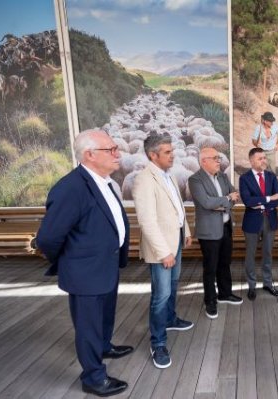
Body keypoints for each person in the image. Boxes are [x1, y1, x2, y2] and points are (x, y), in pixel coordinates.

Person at [37, 129, 132, 397]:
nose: (118, 154)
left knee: (104, 317)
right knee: (87, 327)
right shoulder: (71, 187)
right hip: (85, 272)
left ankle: (104, 347)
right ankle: (93, 377)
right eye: (111, 150)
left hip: (106, 266)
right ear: (89, 155)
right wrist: (71, 261)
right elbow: (48, 237)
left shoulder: (105, 182)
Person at [131, 135, 194, 370]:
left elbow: (178, 208)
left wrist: (185, 230)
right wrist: (163, 252)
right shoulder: (144, 180)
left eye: (171, 150)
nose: (172, 154)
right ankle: (158, 343)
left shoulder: (169, 175)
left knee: (174, 284)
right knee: (161, 294)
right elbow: (147, 221)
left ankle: (170, 319)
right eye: (167, 152)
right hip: (162, 248)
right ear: (152, 155)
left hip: (175, 240)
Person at [188, 147, 243, 319]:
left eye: (219, 158)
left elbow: (235, 195)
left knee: (225, 263)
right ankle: (210, 301)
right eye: (215, 158)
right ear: (204, 161)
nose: (219, 161)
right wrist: (226, 200)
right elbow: (205, 202)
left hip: (226, 227)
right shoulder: (195, 179)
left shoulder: (223, 176)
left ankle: (225, 294)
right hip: (209, 231)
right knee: (210, 268)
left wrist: (222, 203)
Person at [239, 147, 278, 300]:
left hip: (269, 221)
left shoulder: (271, 176)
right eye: (260, 158)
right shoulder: (244, 178)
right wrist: (268, 198)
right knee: (250, 255)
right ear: (251, 161)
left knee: (268, 254)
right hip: (252, 222)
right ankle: (251, 286)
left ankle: (268, 283)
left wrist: (262, 204)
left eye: (264, 158)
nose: (264, 161)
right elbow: (247, 201)